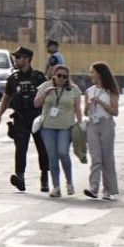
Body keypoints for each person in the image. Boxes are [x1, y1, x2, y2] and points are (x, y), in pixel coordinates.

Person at [0, 45, 51, 193]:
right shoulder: (13, 78)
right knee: (20, 149)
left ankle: (44, 177)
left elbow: (48, 97)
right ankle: (20, 177)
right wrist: (0, 114)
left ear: (27, 59)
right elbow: (7, 97)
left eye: (18, 57)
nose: (16, 60)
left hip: (37, 117)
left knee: (42, 149)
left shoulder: (38, 77)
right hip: (20, 117)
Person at [34, 64, 83, 198]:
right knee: (52, 156)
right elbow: (36, 103)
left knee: (63, 153)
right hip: (48, 126)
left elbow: (78, 108)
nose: (62, 79)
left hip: (66, 127)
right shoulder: (45, 86)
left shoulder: (73, 89)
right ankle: (56, 186)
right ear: (54, 75)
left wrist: (80, 124)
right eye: (59, 75)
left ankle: (69, 182)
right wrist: (45, 93)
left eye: (65, 77)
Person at [83, 62, 121, 200]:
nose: (90, 75)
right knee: (95, 157)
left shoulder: (111, 91)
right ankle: (93, 187)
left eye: (92, 72)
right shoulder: (88, 91)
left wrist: (101, 102)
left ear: (100, 73)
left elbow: (115, 111)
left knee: (107, 158)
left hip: (106, 124)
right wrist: (87, 107)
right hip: (92, 125)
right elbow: (85, 113)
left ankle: (108, 190)